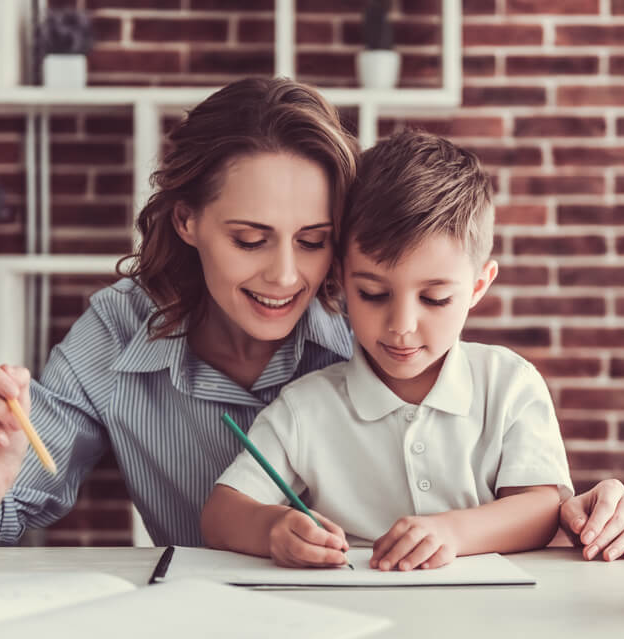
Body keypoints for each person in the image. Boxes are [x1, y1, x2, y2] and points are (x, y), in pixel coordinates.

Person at [0, 77, 624, 563]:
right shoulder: (117, 335)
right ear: (189, 220)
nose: (287, 276)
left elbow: (507, 496)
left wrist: (578, 512)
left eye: (315, 241)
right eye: (250, 238)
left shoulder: (366, 324)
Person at [203, 130, 575, 570]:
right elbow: (220, 514)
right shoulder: (307, 407)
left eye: (435, 299)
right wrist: (272, 529)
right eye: (373, 294)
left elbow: (542, 509)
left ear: (478, 287)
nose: (401, 327)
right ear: (340, 278)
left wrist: (451, 532)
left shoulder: (508, 384)